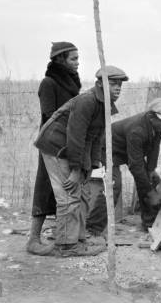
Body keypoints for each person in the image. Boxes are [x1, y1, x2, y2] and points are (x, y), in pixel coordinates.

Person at [34, 65, 128, 257]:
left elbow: (95, 137)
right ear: (100, 85)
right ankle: (66, 246)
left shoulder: (104, 106)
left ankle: (78, 239)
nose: (118, 88)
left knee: (83, 194)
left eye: (119, 84)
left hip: (72, 148)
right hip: (56, 146)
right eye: (113, 84)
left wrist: (93, 166)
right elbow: (75, 136)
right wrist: (77, 170)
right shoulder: (87, 101)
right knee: (68, 196)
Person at [86, 98, 161, 234]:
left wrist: (151, 169)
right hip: (108, 148)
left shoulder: (159, 126)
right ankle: (93, 228)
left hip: (128, 149)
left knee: (150, 179)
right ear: (151, 116)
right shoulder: (137, 130)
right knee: (113, 184)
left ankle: (150, 223)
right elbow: (136, 166)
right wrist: (149, 192)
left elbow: (154, 147)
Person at [27, 42, 81, 256]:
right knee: (44, 187)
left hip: (67, 142)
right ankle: (33, 239)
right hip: (50, 141)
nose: (78, 63)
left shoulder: (71, 82)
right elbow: (51, 115)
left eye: (78, 58)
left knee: (64, 190)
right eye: (73, 59)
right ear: (61, 60)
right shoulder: (48, 83)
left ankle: (62, 236)